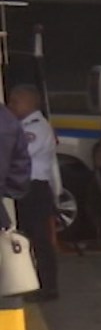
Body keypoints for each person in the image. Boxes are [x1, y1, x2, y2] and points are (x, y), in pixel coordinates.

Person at [5, 86, 58, 300]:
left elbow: (18, 154)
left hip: (34, 190)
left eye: (16, 102)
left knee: (39, 240)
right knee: (26, 238)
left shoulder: (36, 128)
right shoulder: (21, 126)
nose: (11, 106)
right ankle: (32, 283)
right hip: (26, 190)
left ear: (30, 103)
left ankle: (48, 288)